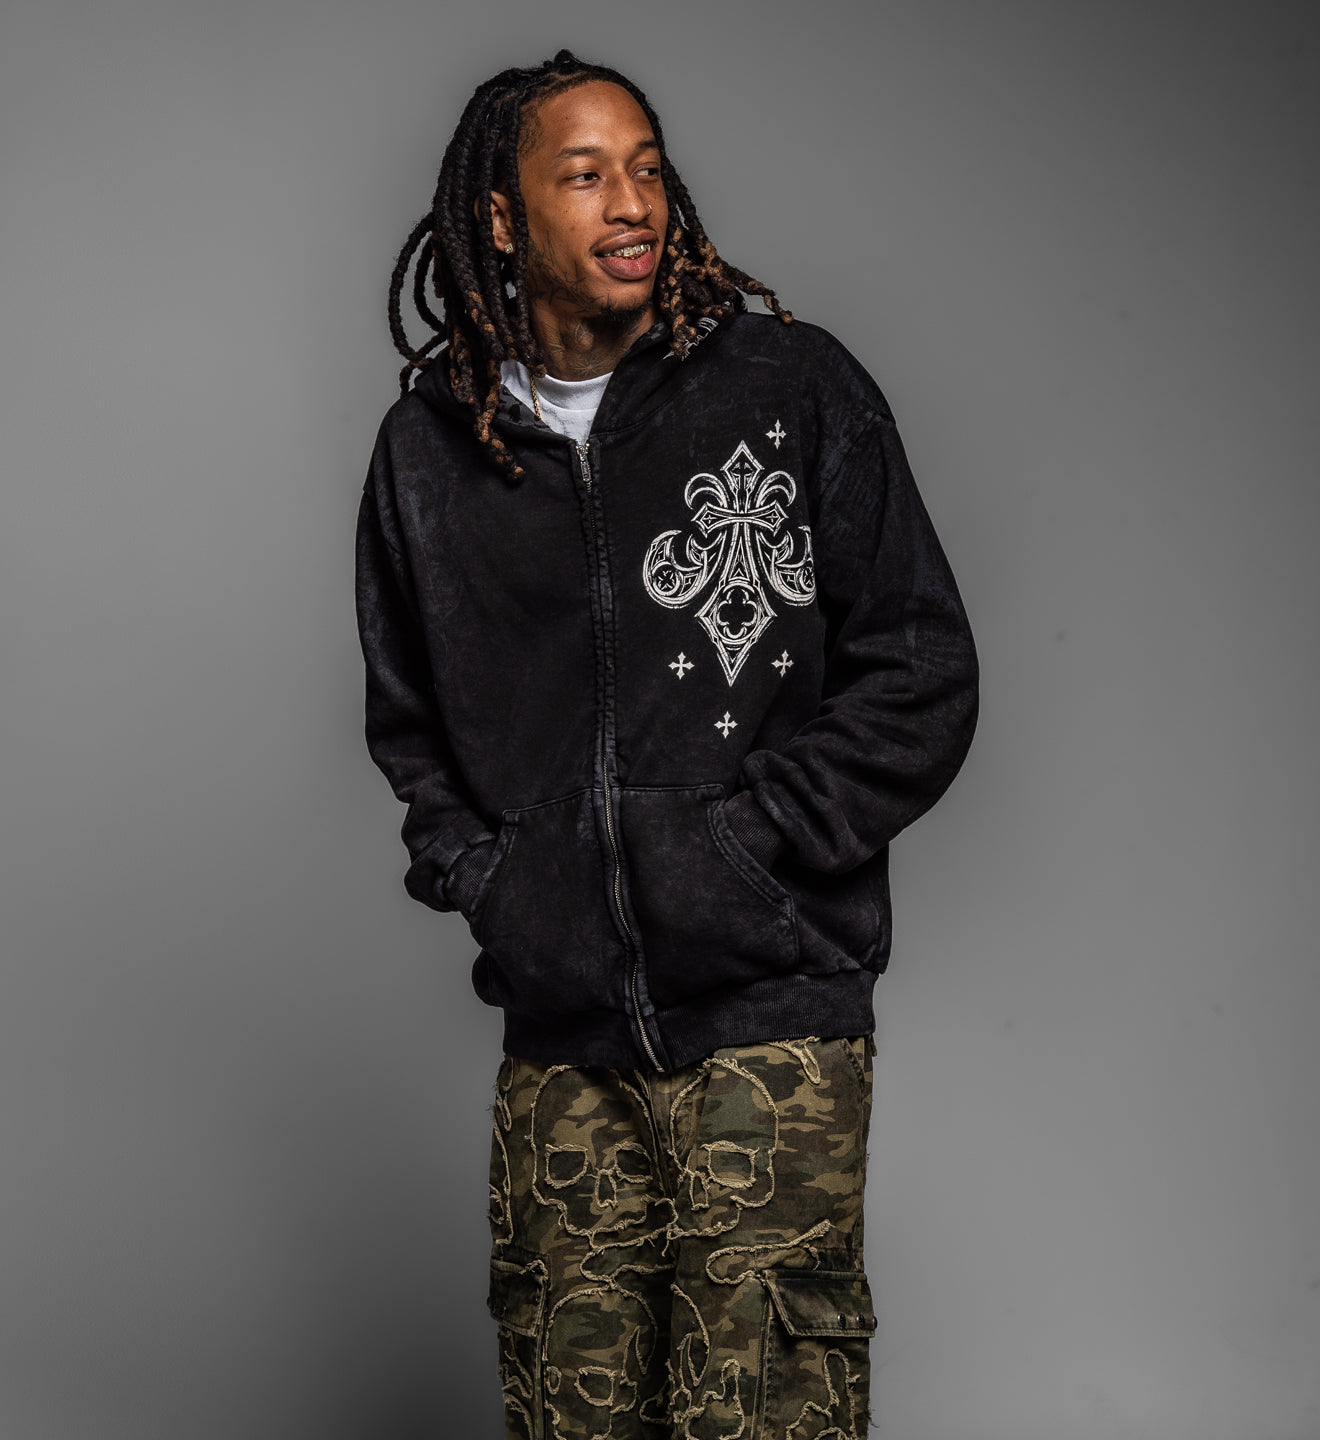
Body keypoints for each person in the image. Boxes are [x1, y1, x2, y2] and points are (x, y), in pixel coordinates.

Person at [355, 50, 978, 1440]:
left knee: (765, 1417)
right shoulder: (430, 453)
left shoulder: (789, 387)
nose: (633, 203)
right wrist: (499, 884)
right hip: (562, 1046)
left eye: (646, 168)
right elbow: (409, 726)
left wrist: (746, 850)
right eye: (586, 176)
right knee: (570, 1416)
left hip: (772, 1027)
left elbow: (921, 671)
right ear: (503, 216)